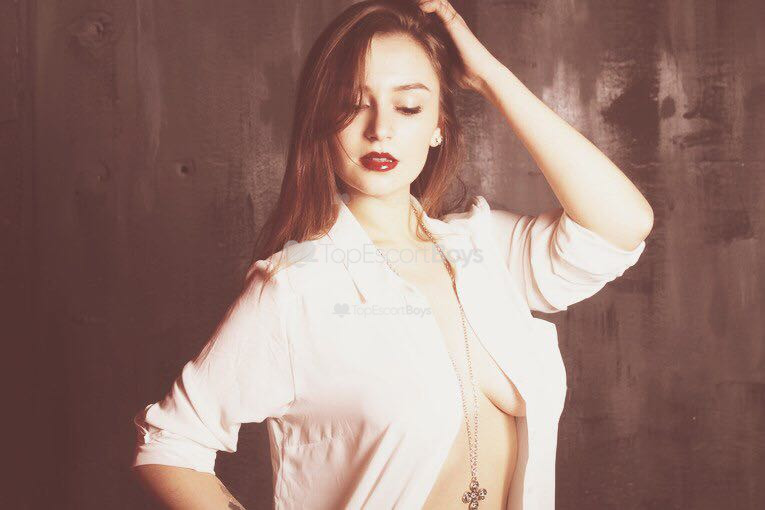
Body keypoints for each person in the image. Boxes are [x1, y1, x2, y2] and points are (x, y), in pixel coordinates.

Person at [130, 0, 653, 509]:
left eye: (408, 106)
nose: (380, 128)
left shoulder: (484, 251)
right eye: (353, 104)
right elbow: (171, 444)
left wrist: (489, 77)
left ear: (439, 124)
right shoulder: (297, 288)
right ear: (323, 121)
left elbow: (621, 227)